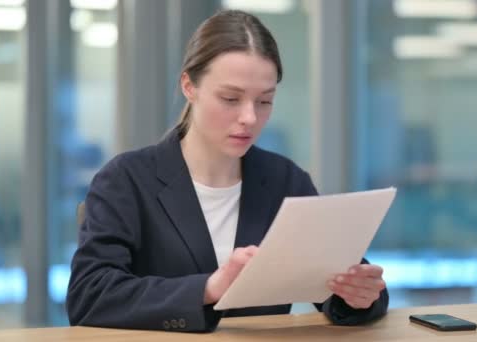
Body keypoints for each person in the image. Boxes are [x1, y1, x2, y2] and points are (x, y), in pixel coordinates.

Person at [66, 9, 389, 333]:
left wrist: (357, 295)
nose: (249, 117)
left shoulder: (286, 181)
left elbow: (336, 284)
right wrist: (208, 289)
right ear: (189, 86)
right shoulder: (126, 180)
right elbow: (89, 296)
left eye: (264, 101)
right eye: (231, 98)